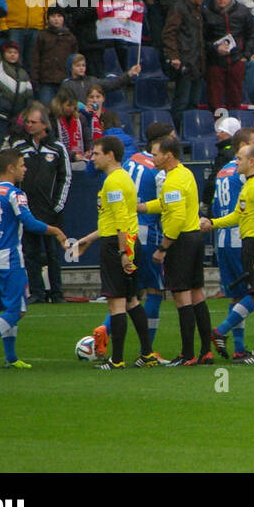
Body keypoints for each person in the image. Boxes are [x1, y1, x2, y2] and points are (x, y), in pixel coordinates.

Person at [0, 148, 67, 371]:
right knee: (18, 309)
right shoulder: (14, 194)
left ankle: (10, 357)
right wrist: (55, 230)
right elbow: (29, 223)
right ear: (10, 168)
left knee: (10, 308)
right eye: (21, 165)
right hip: (9, 258)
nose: (25, 169)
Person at [71, 137, 161, 369]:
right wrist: (89, 240)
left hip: (118, 245)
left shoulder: (113, 182)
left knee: (116, 303)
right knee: (131, 301)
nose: (93, 158)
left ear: (110, 155)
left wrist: (122, 252)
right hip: (127, 241)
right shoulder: (123, 179)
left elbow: (120, 219)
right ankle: (147, 353)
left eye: (97, 154)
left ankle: (117, 360)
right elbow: (114, 219)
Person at [202, 142, 254, 363]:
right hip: (250, 244)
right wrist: (213, 222)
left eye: (239, 158)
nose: (235, 162)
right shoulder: (248, 186)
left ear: (252, 161)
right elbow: (237, 217)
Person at [139, 135, 211, 366]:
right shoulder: (184, 173)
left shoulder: (172, 181)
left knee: (181, 298)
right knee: (197, 294)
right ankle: (205, 351)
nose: (153, 158)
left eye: (155, 154)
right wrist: (142, 206)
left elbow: (177, 216)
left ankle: (187, 354)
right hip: (194, 238)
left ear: (168, 155)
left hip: (180, 242)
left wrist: (163, 248)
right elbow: (166, 204)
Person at [7, 103, 73, 308]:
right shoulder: (19, 147)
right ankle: (36, 292)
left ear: (45, 124)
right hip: (28, 210)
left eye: (33, 122)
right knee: (31, 253)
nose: (29, 125)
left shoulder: (57, 148)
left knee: (53, 253)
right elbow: (12, 177)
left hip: (51, 211)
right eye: (27, 121)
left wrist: (57, 206)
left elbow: (66, 177)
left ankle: (57, 292)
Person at [161, 0, 208, 123]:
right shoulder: (179, 7)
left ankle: (190, 135)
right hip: (185, 62)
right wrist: (173, 56)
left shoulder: (197, 9)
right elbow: (169, 33)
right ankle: (178, 133)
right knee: (182, 102)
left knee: (193, 103)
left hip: (197, 62)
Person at [0, 41, 34, 162]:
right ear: (3, 54)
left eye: (15, 52)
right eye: (9, 52)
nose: (12, 55)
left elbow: (29, 95)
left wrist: (25, 114)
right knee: (0, 141)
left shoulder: (23, 73)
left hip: (17, 117)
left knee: (16, 143)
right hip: (1, 114)